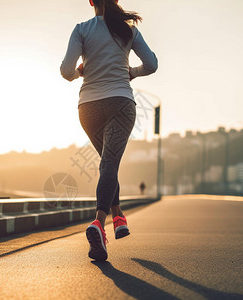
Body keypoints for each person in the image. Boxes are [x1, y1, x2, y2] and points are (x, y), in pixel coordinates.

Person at [60, 0, 157, 261]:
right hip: (120, 103)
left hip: (88, 108)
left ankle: (119, 216)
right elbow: (152, 64)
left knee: (107, 164)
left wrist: (81, 70)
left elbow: (66, 72)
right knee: (109, 165)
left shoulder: (82, 29)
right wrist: (131, 73)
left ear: (90, 1)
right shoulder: (128, 30)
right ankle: (99, 223)